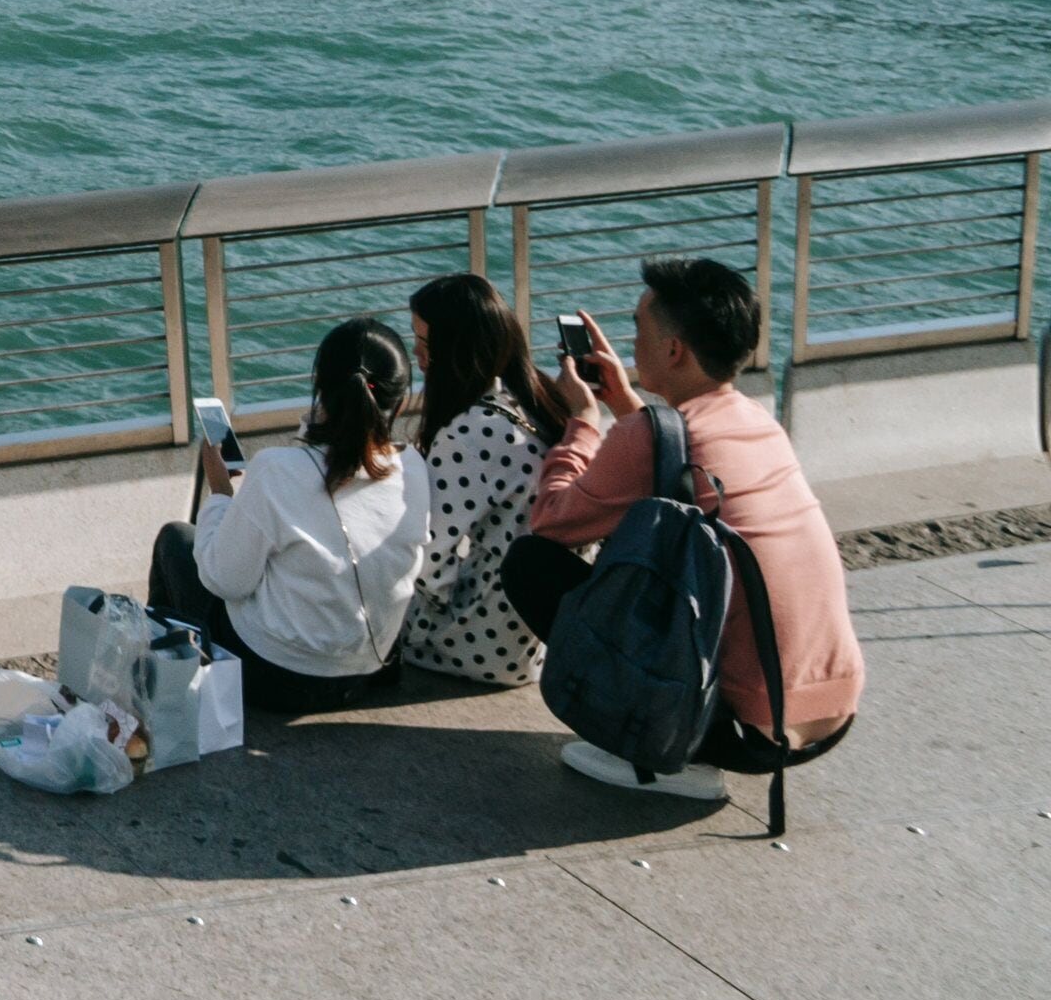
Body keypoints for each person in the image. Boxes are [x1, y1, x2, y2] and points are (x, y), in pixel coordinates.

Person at [506, 258, 862, 802]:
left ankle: (660, 757)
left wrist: (583, 420)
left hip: (740, 731)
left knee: (529, 564)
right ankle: (682, 740)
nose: (632, 342)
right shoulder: (757, 421)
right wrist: (625, 402)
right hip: (828, 718)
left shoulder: (647, 437)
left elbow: (554, 521)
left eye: (639, 330)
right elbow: (669, 453)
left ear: (674, 350)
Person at [149, 319, 434, 714]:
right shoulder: (414, 467)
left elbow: (224, 579)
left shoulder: (277, 470)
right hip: (369, 668)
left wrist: (221, 494)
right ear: (401, 402)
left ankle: (165, 685)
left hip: (277, 678)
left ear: (319, 388)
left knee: (176, 541)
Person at [396, 273, 584, 686]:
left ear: (455, 349)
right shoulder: (535, 403)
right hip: (541, 635)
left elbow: (430, 562)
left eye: (424, 342)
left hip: (481, 641)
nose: (416, 352)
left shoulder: (469, 432)